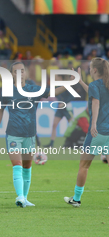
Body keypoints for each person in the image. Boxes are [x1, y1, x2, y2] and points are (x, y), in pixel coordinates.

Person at [0, 62, 68, 208]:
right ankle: (20, 196)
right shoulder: (7, 91)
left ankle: (25, 198)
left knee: (27, 166)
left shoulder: (33, 90)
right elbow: (1, 109)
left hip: (30, 134)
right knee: (17, 164)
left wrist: (71, 83)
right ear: (12, 75)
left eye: (22, 71)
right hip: (13, 134)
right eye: (16, 71)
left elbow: (53, 92)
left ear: (25, 74)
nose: (20, 73)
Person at [64, 58, 109, 207]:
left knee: (84, 166)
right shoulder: (104, 84)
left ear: (94, 70)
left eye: (90, 68)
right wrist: (81, 82)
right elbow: (94, 92)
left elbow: (95, 102)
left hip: (98, 131)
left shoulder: (96, 85)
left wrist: (94, 123)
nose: (89, 70)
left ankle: (76, 199)